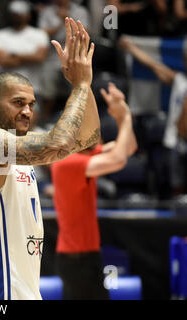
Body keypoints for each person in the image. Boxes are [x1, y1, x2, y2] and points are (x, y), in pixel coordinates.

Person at [0, 18, 100, 300]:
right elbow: (59, 143)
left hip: (24, 289)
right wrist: (81, 86)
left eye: (31, 105)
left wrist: (83, 82)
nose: (27, 111)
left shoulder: (19, 146)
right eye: (18, 103)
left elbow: (89, 136)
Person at [50, 82, 138, 300]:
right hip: (75, 258)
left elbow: (128, 148)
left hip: (86, 255)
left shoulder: (84, 156)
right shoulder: (67, 163)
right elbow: (118, 160)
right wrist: (125, 118)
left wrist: (121, 114)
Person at [119, 36, 187, 195]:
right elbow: (154, 65)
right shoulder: (180, 81)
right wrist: (132, 49)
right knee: (176, 187)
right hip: (175, 142)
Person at [38, 0, 91, 124]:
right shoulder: (47, 11)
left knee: (78, 90)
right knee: (47, 94)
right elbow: (41, 34)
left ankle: (79, 123)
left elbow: (85, 34)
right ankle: (44, 123)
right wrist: (61, 22)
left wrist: (66, 22)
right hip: (51, 56)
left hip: (74, 55)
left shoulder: (80, 10)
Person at [0, 0, 49, 101]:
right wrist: (30, 58)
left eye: (21, 13)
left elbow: (40, 57)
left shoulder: (40, 34)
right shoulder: (0, 35)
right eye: (14, 14)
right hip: (7, 89)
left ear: (29, 15)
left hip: (33, 87)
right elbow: (1, 61)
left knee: (32, 115)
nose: (17, 16)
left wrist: (14, 55)